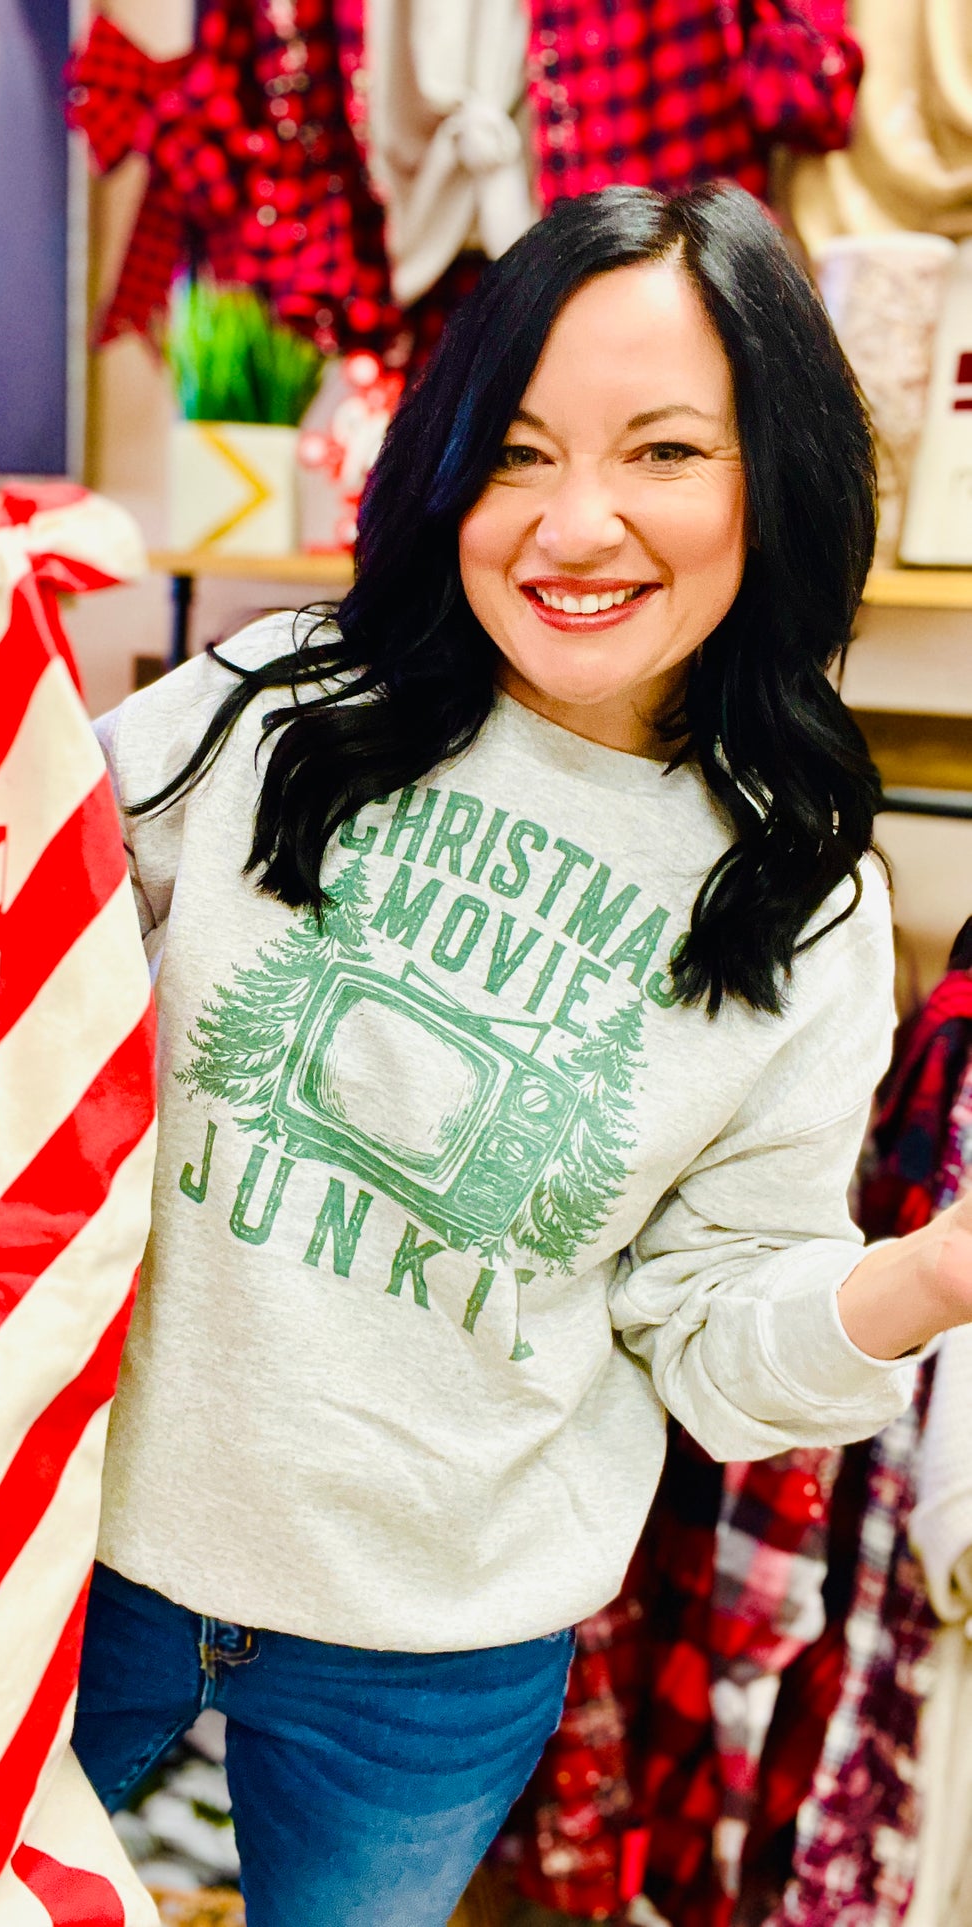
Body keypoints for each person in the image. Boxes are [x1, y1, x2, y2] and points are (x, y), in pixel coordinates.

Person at [63, 183, 972, 1927]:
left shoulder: (797, 892)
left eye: (660, 452)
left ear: (768, 478)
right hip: (69, 1547)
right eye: (518, 453)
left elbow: (713, 1347)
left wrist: (925, 1275)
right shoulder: (273, 705)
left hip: (432, 1641)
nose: (575, 524)